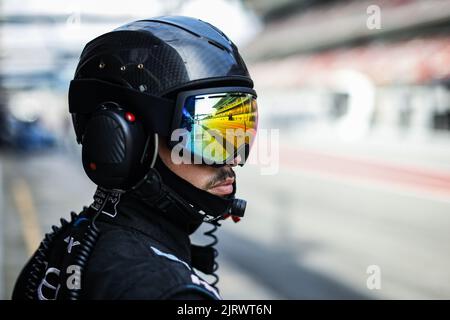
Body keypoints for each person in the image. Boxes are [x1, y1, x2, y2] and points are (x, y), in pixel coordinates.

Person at [12, 15, 258, 300]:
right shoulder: (166, 290)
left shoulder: (65, 243)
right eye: (208, 136)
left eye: (238, 134)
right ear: (123, 139)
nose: (232, 160)